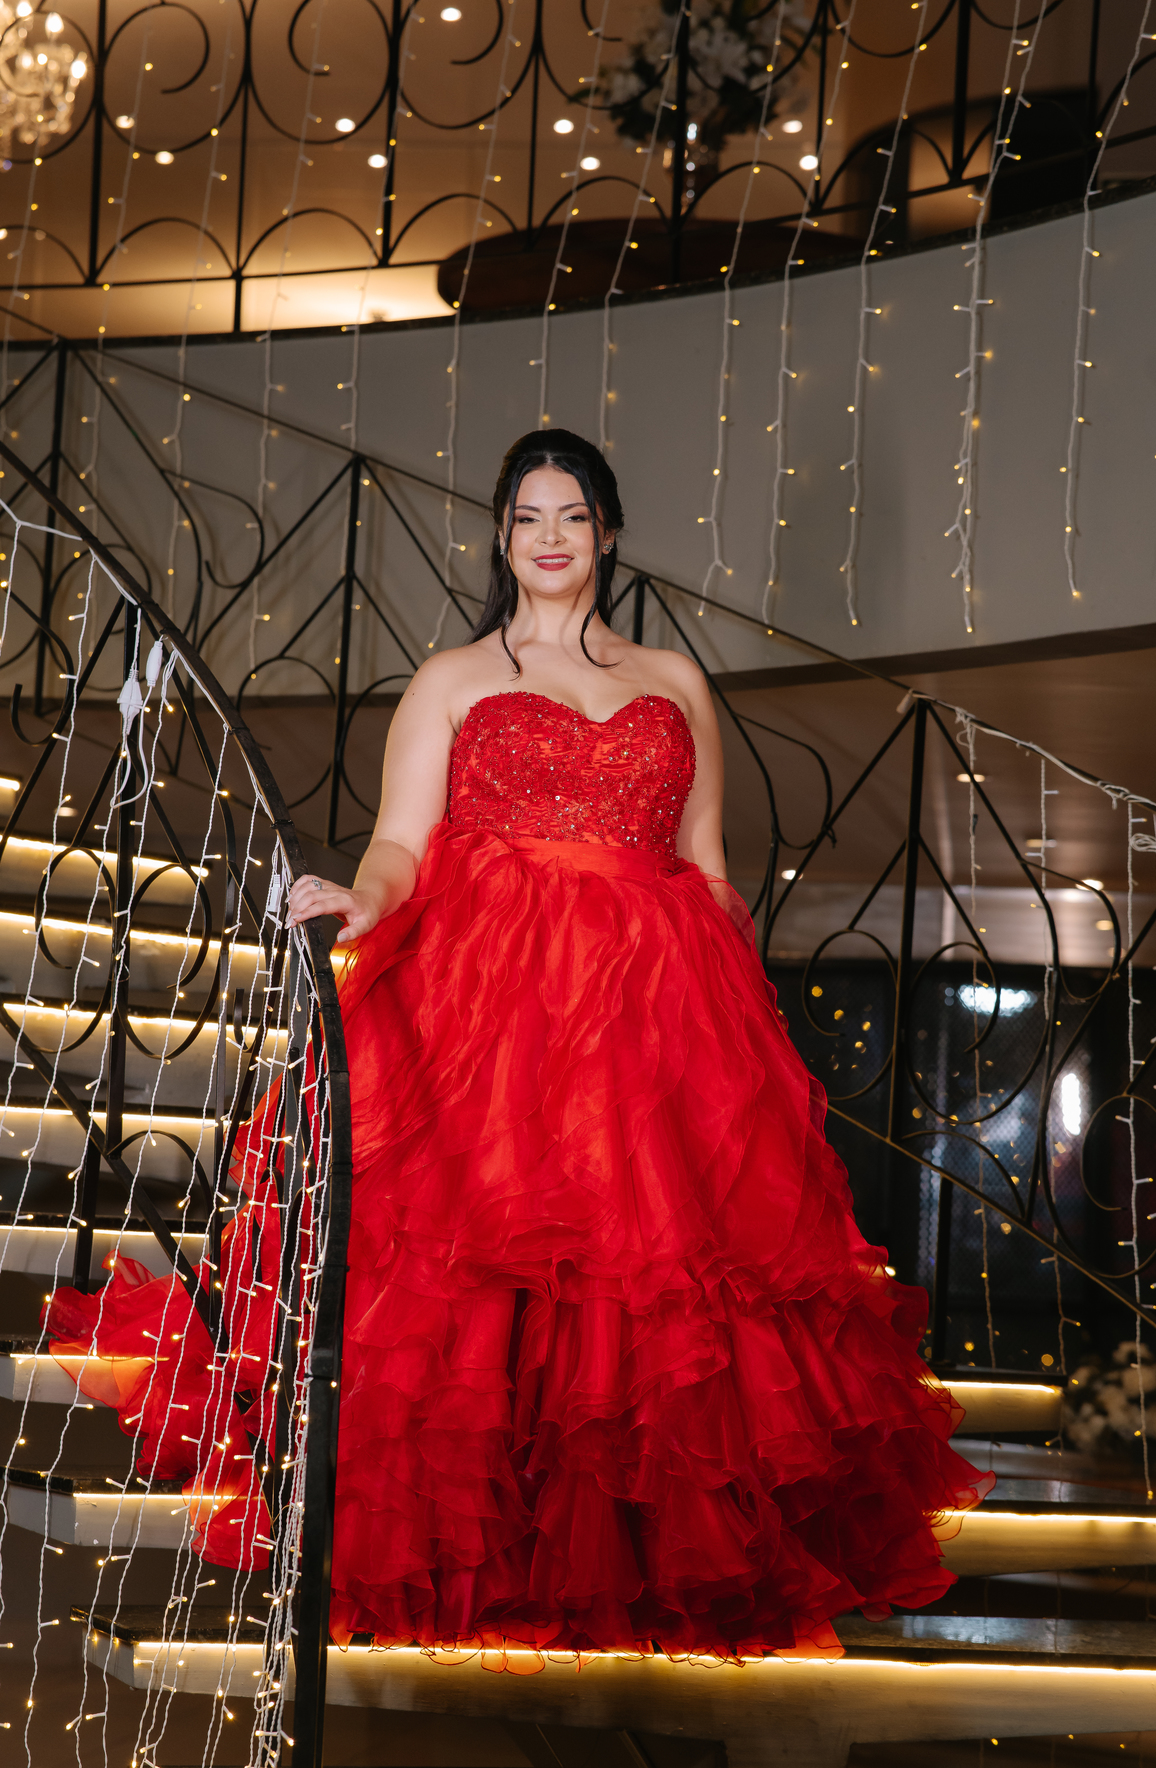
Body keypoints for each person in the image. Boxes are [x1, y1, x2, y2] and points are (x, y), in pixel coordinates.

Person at [47, 428, 990, 1663]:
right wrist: (362, 901)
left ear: (608, 534)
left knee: (652, 1295)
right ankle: (483, 1554)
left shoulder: (674, 680)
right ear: (502, 537)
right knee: (481, 1276)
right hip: (493, 1001)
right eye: (529, 517)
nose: (551, 537)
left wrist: (732, 1034)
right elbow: (403, 842)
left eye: (574, 516)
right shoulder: (450, 678)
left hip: (657, 1008)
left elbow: (707, 867)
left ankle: (622, 1561)